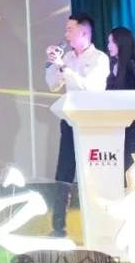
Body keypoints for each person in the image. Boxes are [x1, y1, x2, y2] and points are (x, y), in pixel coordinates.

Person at [45, 14, 109, 237]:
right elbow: (53, 85)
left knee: (93, 174)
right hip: (70, 121)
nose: (66, 34)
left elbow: (90, 88)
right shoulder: (68, 57)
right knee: (64, 173)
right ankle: (58, 227)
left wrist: (65, 67)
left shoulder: (100, 58)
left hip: (92, 125)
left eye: (70, 30)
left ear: (84, 32)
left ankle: (99, 224)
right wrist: (53, 64)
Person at [106, 27, 135, 172]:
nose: (109, 46)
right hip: (117, 126)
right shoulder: (112, 66)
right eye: (109, 42)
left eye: (113, 42)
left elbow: (130, 98)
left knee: (129, 168)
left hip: (131, 127)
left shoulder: (130, 66)